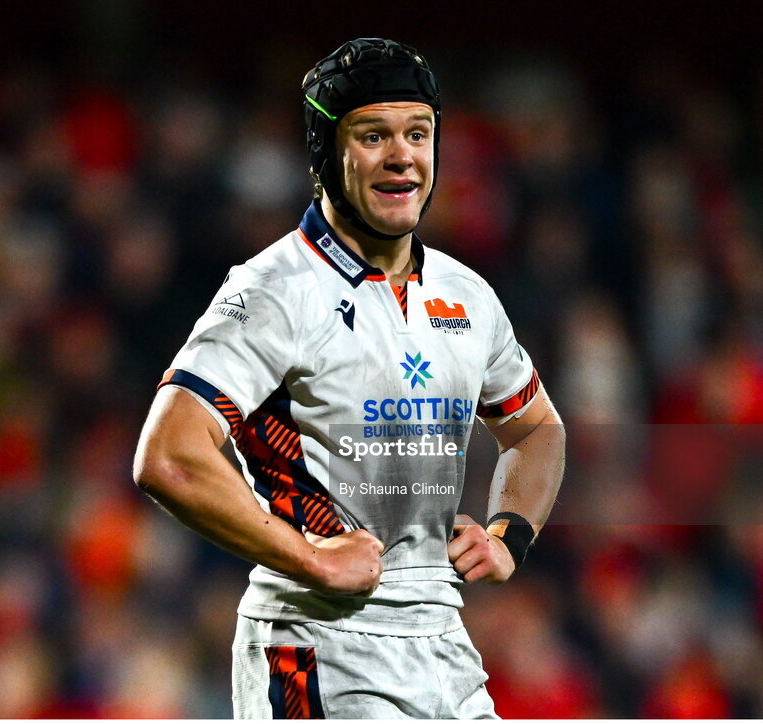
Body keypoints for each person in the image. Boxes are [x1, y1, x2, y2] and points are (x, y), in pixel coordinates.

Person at [133, 38, 565, 719]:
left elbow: (536, 427)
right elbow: (168, 456)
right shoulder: (274, 290)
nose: (401, 155)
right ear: (325, 151)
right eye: (373, 135)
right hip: (318, 643)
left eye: (418, 133)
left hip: (444, 644)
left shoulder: (468, 296)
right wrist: (306, 557)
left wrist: (509, 535)